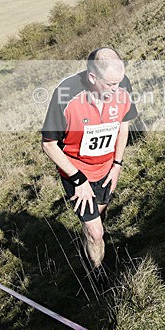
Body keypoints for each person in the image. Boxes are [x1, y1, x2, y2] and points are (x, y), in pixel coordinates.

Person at [41, 47, 138, 269]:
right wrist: (78, 179)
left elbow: (124, 125)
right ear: (92, 77)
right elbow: (48, 145)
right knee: (95, 232)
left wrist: (117, 165)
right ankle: (97, 277)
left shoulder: (122, 84)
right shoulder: (65, 94)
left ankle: (93, 251)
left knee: (99, 222)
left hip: (106, 170)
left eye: (120, 82)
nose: (118, 89)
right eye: (111, 85)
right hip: (76, 173)